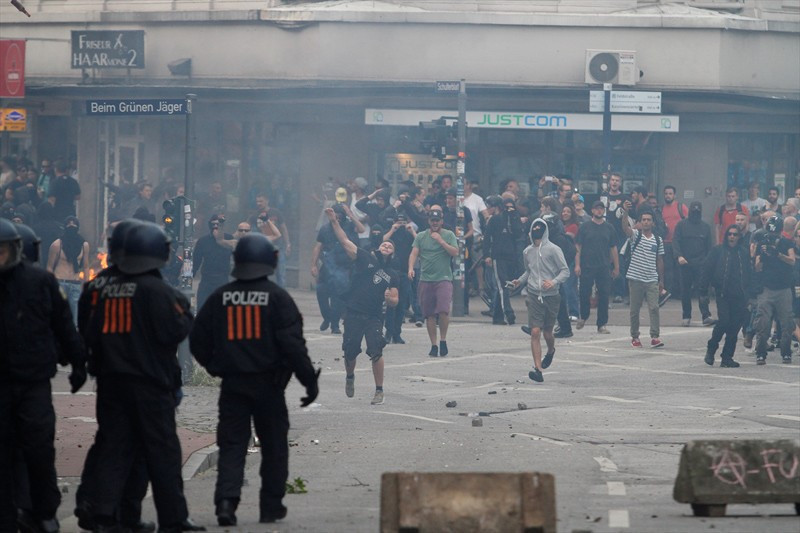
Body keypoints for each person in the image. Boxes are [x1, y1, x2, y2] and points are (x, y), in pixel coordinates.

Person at [80, 222, 205, 532]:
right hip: (151, 383)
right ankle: (173, 519)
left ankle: (105, 515)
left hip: (110, 381)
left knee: (113, 447)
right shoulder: (157, 290)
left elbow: (86, 330)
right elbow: (175, 330)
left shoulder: (96, 288)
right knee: (162, 452)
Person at [190, 233, 318, 526]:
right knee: (274, 446)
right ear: (269, 261)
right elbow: (293, 345)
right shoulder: (278, 298)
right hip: (270, 387)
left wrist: (214, 366)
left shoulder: (221, 296)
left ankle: (226, 502)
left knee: (232, 444)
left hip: (233, 385)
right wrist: (309, 381)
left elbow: (198, 338)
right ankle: (271, 506)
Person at [0, 219, 87, 533]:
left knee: (39, 448)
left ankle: (44, 512)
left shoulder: (40, 282)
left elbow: (64, 325)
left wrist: (78, 363)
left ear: (16, 250)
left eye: (4, 251)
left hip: (33, 381)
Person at [74, 219, 154, 533]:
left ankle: (90, 503)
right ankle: (116, 514)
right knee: (132, 447)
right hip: (140, 376)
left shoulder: (96, 285)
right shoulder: (144, 284)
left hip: (106, 373)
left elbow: (85, 328)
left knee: (107, 442)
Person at [322, 207, 399, 404]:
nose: (386, 247)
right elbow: (345, 241)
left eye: (390, 247)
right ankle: (350, 376)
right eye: (384, 245)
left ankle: (379, 390)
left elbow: (394, 301)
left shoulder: (392, 275)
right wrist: (334, 221)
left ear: (393, 254)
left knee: (376, 351)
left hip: (374, 316)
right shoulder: (367, 257)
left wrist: (390, 298)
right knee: (350, 351)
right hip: (354, 312)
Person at [510, 218, 569, 383]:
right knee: (535, 331)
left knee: (548, 333)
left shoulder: (554, 250)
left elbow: (565, 271)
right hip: (534, 295)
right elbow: (528, 271)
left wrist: (554, 282)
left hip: (552, 296)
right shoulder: (527, 251)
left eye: (539, 228)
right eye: (534, 227)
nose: (536, 230)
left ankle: (550, 351)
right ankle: (538, 369)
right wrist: (519, 281)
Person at [699, 225, 753, 368]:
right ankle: (711, 348)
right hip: (723, 293)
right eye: (729, 234)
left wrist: (751, 294)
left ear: (739, 237)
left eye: (735, 234)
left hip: (740, 295)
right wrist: (703, 290)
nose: (732, 237)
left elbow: (750, 274)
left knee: (734, 327)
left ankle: (727, 357)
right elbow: (707, 270)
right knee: (724, 322)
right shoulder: (717, 251)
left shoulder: (744, 253)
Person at [408, 208, 459, 356]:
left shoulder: (448, 235)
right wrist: (411, 268)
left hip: (443, 278)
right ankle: (434, 344)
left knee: (443, 310)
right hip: (426, 279)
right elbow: (414, 253)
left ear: (442, 221)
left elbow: (455, 252)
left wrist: (441, 241)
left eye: (437, 220)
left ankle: (443, 340)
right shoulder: (421, 236)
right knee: (429, 314)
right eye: (432, 220)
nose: (435, 223)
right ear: (429, 221)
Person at [311, 203, 364, 334]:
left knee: (337, 298)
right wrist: (313, 265)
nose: (337, 218)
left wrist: (351, 215)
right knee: (321, 293)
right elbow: (318, 247)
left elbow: (361, 229)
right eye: (335, 215)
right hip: (327, 267)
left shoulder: (350, 226)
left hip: (344, 268)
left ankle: (335, 325)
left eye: (340, 215)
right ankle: (327, 317)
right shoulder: (324, 229)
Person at [621, 202, 665, 348]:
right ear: (640, 222)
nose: (646, 222)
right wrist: (625, 213)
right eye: (643, 220)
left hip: (652, 278)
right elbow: (625, 228)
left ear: (653, 222)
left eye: (649, 220)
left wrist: (661, 280)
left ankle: (655, 336)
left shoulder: (658, 240)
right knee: (634, 310)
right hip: (635, 278)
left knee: (654, 308)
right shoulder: (635, 235)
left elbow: (659, 260)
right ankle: (635, 336)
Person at [753, 215, 796, 364]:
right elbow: (757, 267)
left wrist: (777, 254)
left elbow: (792, 261)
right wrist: (763, 256)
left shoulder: (786, 242)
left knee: (786, 322)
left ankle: (786, 352)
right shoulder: (762, 243)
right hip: (767, 288)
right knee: (763, 322)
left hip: (784, 288)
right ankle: (760, 352)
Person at [575, 201, 619, 334]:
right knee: (584, 292)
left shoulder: (609, 228)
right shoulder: (584, 227)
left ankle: (602, 324)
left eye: (601, 209)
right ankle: (584, 316)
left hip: (604, 266)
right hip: (587, 265)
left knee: (604, 294)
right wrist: (577, 264)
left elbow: (614, 248)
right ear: (592, 211)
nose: (599, 211)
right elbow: (578, 247)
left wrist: (616, 266)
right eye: (596, 209)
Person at [672, 201, 715, 327]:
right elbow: (676, 242)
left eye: (698, 211)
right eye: (694, 211)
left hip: (701, 263)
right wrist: (679, 256)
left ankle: (706, 316)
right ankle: (686, 316)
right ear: (689, 211)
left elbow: (709, 247)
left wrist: (708, 263)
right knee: (685, 291)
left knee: (703, 291)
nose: (695, 213)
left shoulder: (705, 227)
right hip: (685, 263)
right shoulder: (681, 225)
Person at [484, 196, 522, 325]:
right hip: (504, 255)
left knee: (504, 285)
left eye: (489, 206)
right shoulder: (500, 219)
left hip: (504, 255)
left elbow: (518, 234)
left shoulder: (501, 219)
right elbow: (487, 238)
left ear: (495, 207)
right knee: (504, 285)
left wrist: (487, 255)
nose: (487, 209)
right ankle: (503, 314)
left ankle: (502, 315)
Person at [46, 216, 90, 325]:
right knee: (58, 317)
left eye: (74, 223)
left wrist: (86, 284)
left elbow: (85, 267)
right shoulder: (57, 245)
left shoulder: (84, 245)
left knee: (75, 320)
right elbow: (50, 267)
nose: (72, 226)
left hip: (75, 284)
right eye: (69, 223)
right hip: (60, 283)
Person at [383, 212, 416, 344]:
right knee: (391, 304)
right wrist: (393, 229)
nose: (401, 225)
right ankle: (388, 332)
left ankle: (397, 333)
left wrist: (412, 230)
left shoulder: (409, 235)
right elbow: (382, 241)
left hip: (404, 272)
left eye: (403, 223)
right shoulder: (391, 234)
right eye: (398, 222)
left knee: (401, 305)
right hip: (391, 273)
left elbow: (420, 244)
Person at [193, 214, 235, 309]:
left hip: (222, 279)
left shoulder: (229, 238)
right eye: (213, 224)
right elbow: (196, 261)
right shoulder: (203, 241)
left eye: (218, 224)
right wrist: (189, 277)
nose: (216, 227)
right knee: (202, 307)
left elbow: (237, 257)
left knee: (223, 309)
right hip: (206, 280)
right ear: (209, 225)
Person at [660, 185, 688, 297]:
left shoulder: (681, 207)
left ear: (674, 195)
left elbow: (688, 222)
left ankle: (680, 293)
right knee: (668, 269)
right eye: (666, 193)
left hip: (679, 243)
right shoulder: (661, 209)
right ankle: (669, 292)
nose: (668, 195)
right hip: (665, 242)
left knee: (680, 269)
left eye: (670, 193)